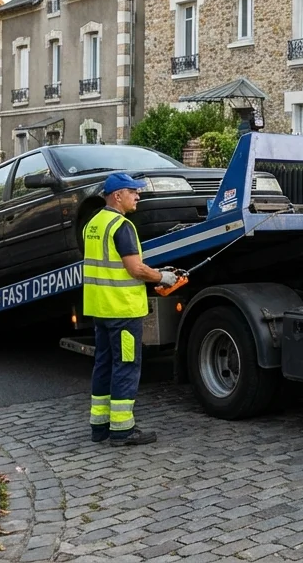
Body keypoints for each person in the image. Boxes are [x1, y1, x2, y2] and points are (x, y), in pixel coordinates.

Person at [84, 172, 180, 446]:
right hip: (123, 310)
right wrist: (162, 277)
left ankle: (99, 427)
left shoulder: (93, 224)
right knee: (125, 367)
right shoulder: (122, 226)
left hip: (100, 308)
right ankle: (122, 430)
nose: (138, 196)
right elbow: (135, 268)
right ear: (117, 196)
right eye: (133, 191)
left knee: (103, 365)